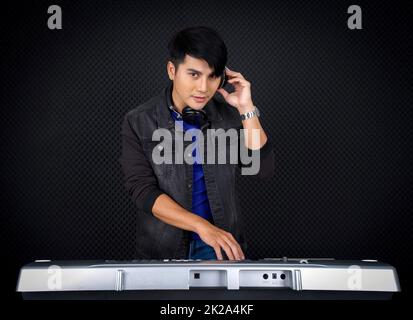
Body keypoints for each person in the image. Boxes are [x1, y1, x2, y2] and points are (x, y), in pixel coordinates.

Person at [119, 26, 274, 261]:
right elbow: (143, 191)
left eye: (212, 76)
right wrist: (202, 227)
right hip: (162, 251)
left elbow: (262, 169)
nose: (204, 87)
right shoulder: (139, 121)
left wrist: (246, 108)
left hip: (222, 249)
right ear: (172, 70)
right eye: (194, 74)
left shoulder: (230, 116)